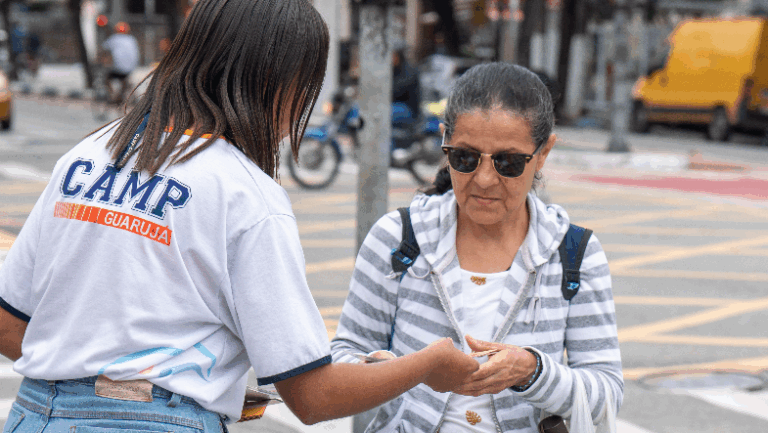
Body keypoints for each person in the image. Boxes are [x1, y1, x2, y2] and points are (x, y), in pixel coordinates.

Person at [0, 1, 479, 432]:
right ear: (277, 83)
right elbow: (312, 397)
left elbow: (8, 323)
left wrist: (107, 381)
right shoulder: (245, 194)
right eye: (306, 87)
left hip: (36, 414)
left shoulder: (91, 153)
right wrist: (427, 365)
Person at [331, 62, 623, 432]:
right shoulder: (398, 238)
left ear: (543, 152)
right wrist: (403, 370)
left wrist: (532, 371)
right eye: (465, 158)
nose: (484, 179)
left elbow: (606, 395)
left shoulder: (575, 253)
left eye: (508, 162)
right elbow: (343, 359)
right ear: (444, 144)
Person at [100, 21, 140, 103]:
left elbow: (103, 49)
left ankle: (113, 96)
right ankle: (119, 97)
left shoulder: (114, 38)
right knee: (124, 81)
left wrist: (103, 60)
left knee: (106, 79)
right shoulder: (132, 39)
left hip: (117, 67)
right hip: (131, 68)